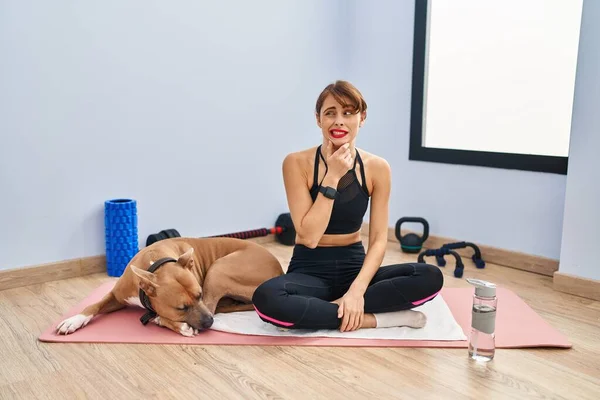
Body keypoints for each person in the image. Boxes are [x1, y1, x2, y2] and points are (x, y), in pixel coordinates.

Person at [252, 80, 444, 332]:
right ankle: (374, 319)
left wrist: (357, 290)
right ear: (318, 119)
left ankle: (326, 311)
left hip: (354, 266)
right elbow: (308, 237)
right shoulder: (296, 163)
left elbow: (377, 240)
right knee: (267, 298)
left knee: (430, 276)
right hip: (309, 269)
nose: (339, 121)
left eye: (348, 113)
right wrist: (332, 176)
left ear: (362, 118)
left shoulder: (377, 168)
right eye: (330, 113)